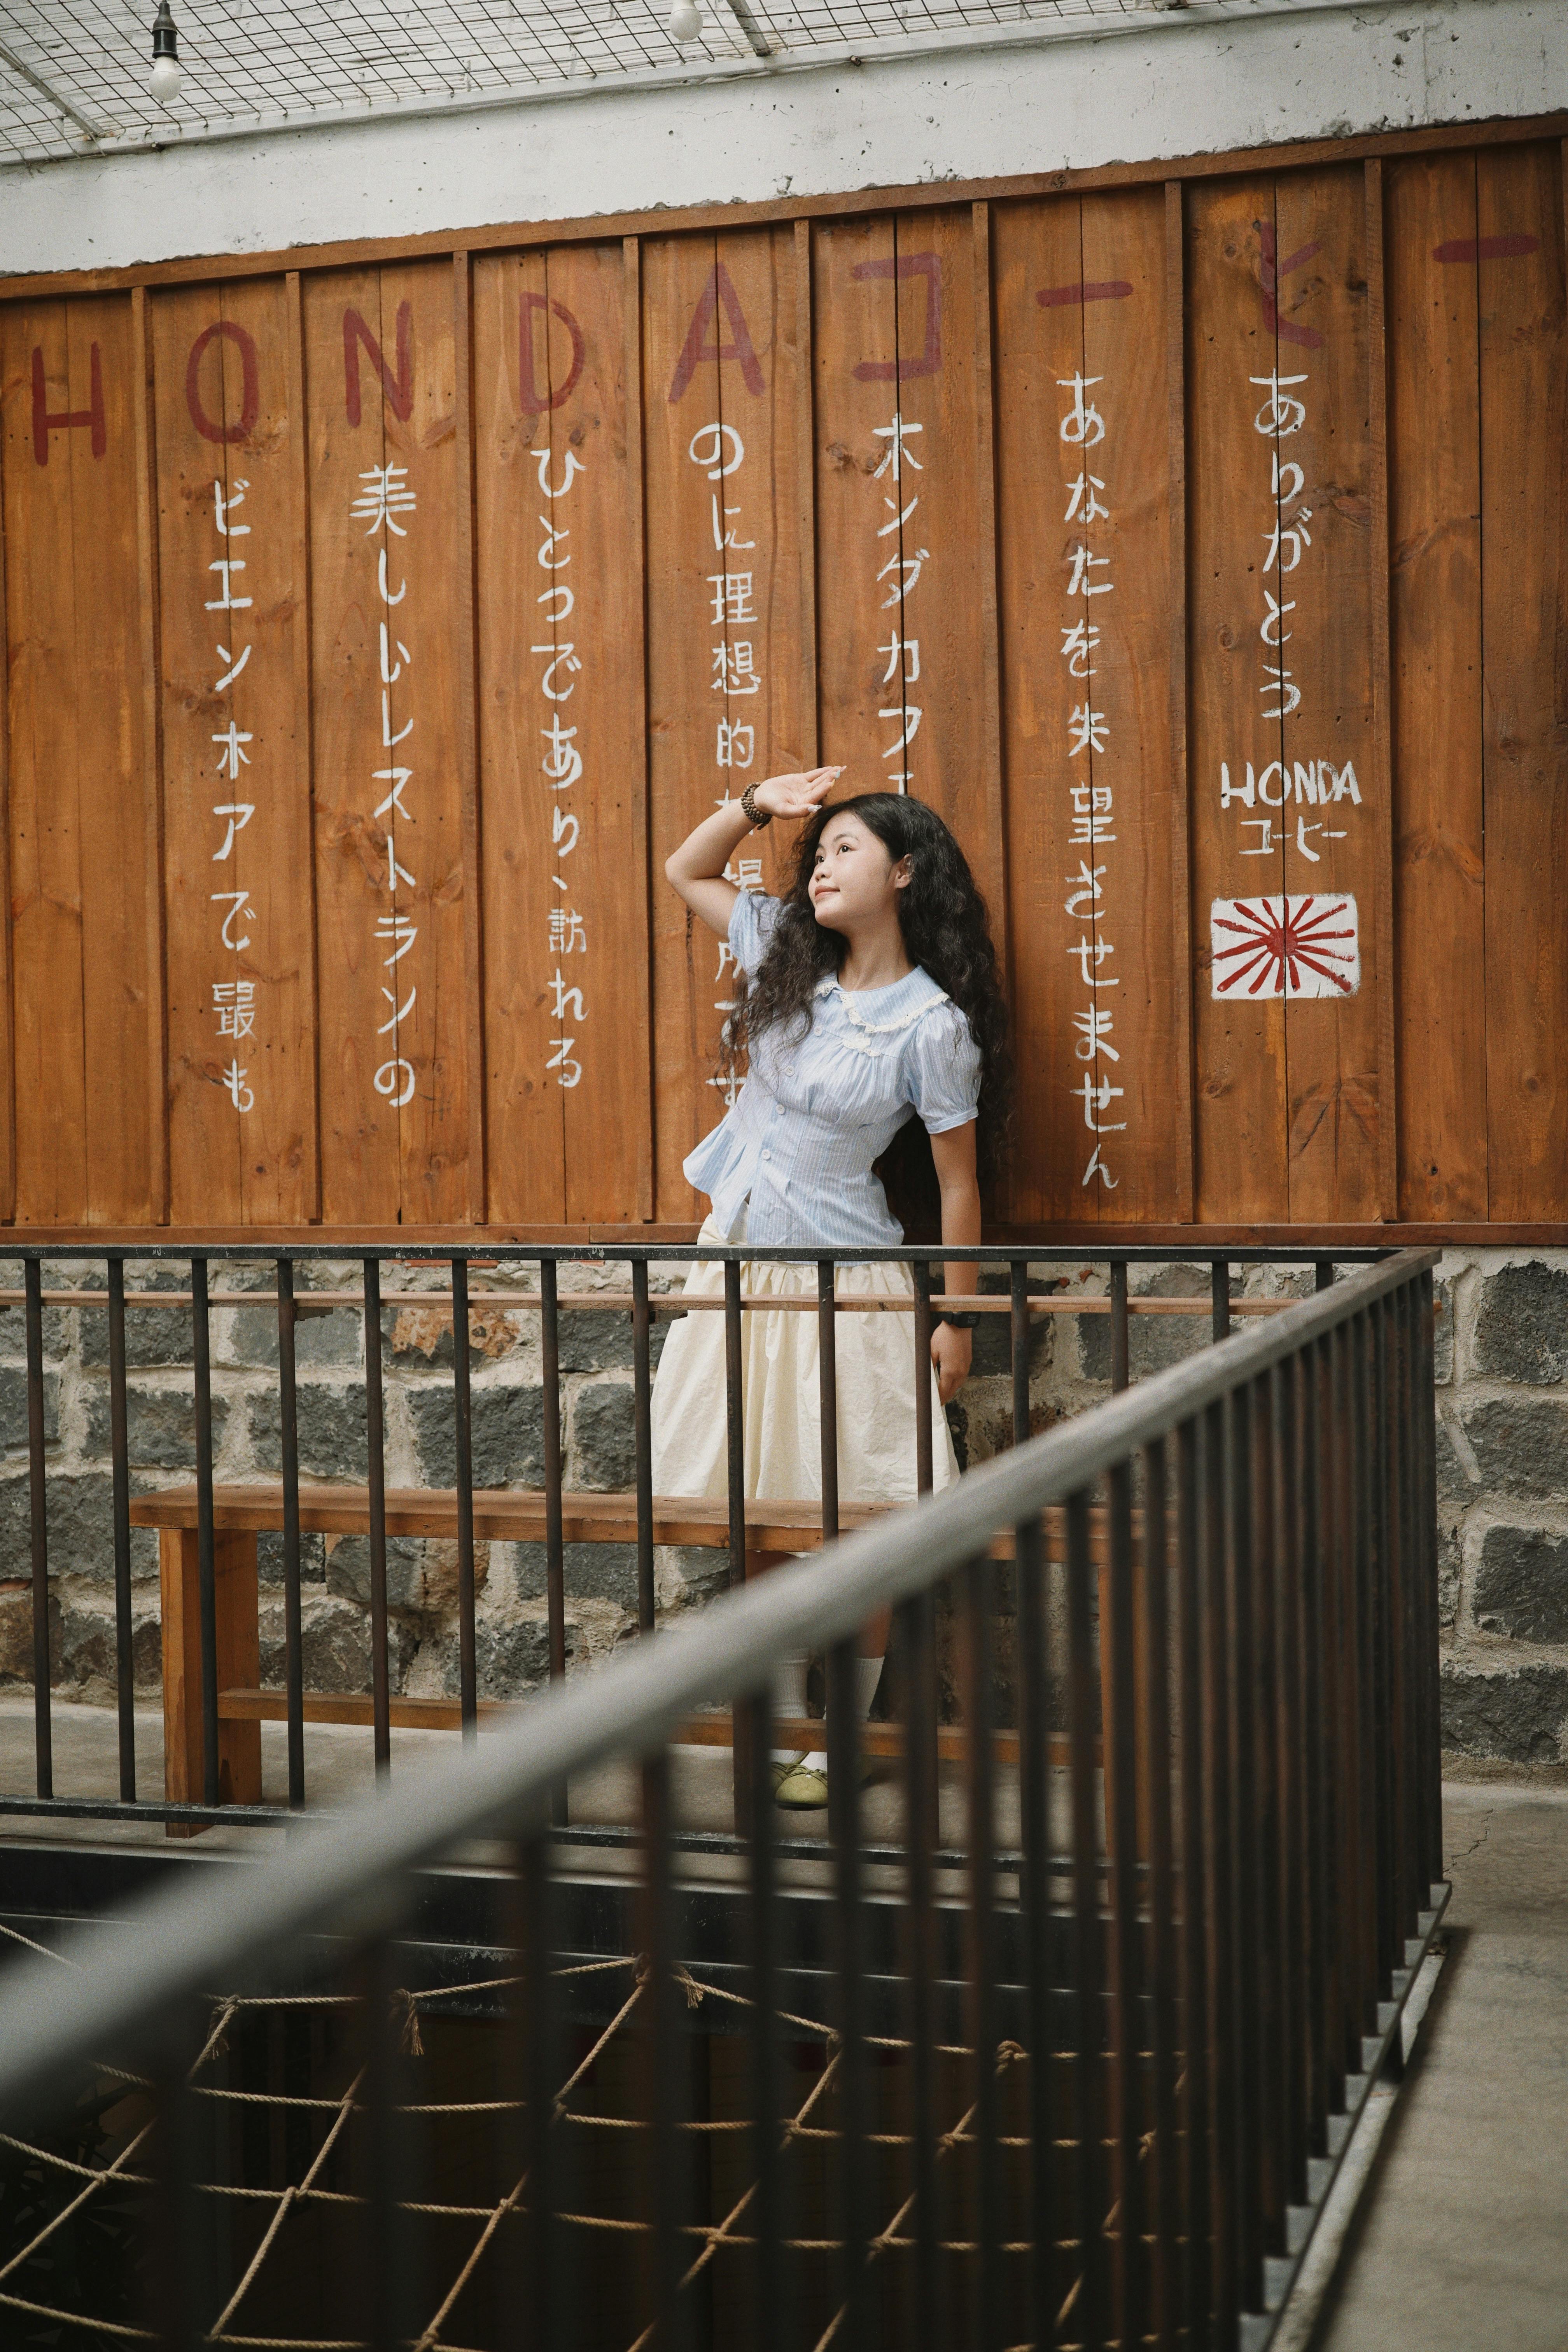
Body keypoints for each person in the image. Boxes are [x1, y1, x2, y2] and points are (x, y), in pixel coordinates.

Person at [653, 767, 1011, 1808]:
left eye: (845, 848)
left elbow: (956, 1183)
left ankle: (837, 1735)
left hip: (852, 1283)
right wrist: (761, 804)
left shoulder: (932, 1026)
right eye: (819, 853)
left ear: (903, 872)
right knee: (757, 1505)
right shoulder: (779, 957)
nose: (822, 866)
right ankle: (774, 1723)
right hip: (739, 1267)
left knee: (858, 1512)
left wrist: (959, 1318)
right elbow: (688, 867)